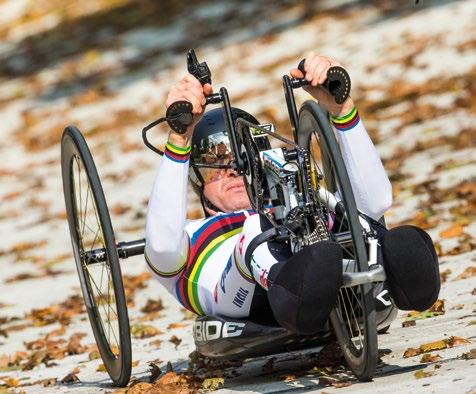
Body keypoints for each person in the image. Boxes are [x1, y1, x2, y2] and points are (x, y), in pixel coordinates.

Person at [145, 53, 440, 334]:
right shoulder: (189, 237)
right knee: (257, 227)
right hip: (248, 294)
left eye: (243, 160)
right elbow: (160, 247)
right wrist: (180, 138)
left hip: (315, 254)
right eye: (213, 165)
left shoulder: (296, 205)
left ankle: (403, 269)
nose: (232, 170)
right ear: (196, 178)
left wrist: (340, 107)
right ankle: (303, 289)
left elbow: (375, 202)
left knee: (351, 214)